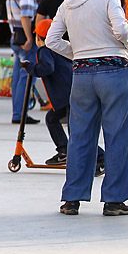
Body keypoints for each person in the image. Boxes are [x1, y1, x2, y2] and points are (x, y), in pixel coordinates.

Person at [46, 0, 128, 216]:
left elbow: (52, 40)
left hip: (82, 75)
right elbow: (120, 31)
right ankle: (114, 200)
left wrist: (78, 53)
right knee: (117, 135)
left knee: (80, 137)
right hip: (114, 70)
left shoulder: (68, 1)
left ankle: (72, 198)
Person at [22, 19, 105, 172]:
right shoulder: (61, 47)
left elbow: (47, 68)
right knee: (52, 118)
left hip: (68, 96)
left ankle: (101, 157)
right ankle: (64, 150)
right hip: (73, 93)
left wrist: (30, 67)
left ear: (39, 38)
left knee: (77, 131)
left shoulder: (45, 50)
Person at [7, 0, 43, 124]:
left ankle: (17, 112)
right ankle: (21, 112)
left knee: (17, 76)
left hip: (15, 37)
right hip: (25, 39)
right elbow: (26, 17)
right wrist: (30, 38)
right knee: (26, 77)